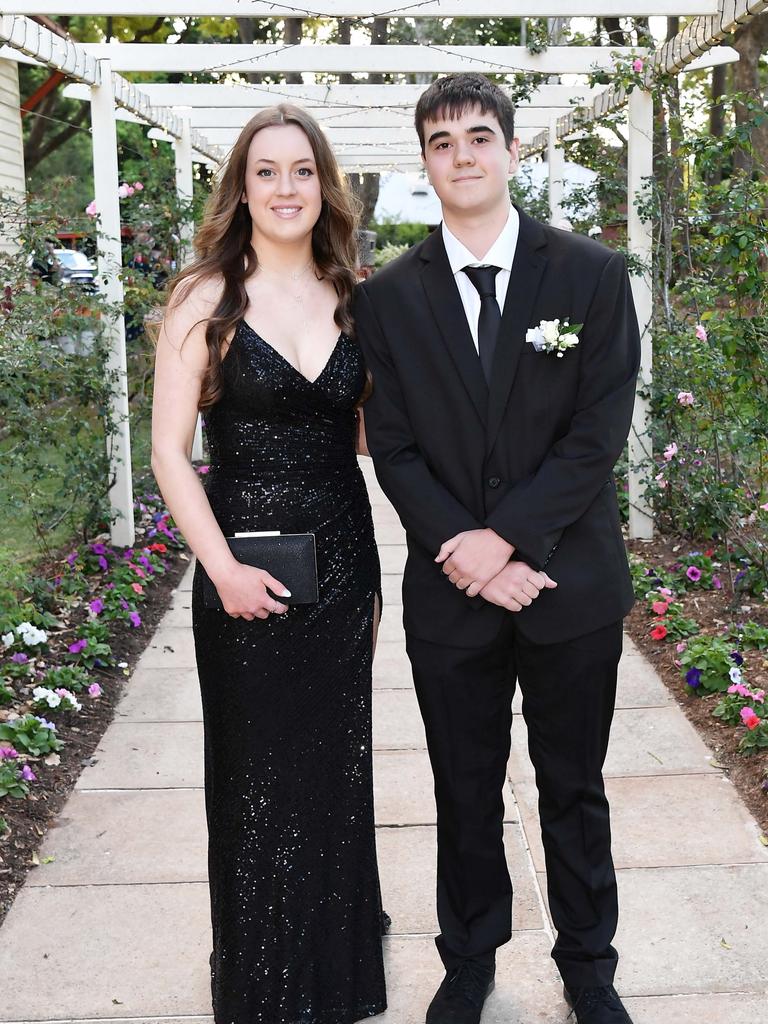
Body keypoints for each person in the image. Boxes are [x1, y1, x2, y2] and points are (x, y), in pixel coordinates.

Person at [354, 73, 641, 1024]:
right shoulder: (389, 296)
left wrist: (504, 542)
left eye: (480, 137)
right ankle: (469, 959)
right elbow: (390, 445)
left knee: (574, 784)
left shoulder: (591, 275)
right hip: (450, 594)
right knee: (463, 787)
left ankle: (589, 967)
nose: (463, 156)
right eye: (443, 143)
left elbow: (597, 435)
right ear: (425, 162)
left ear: (514, 152)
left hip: (571, 581)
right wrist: (464, 551)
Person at [151, 104, 387, 1024]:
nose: (284, 189)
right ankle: (264, 985)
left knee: (335, 763)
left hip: (345, 565)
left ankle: (335, 975)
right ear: (241, 188)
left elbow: (372, 436)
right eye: (265, 172)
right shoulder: (203, 296)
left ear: (323, 185)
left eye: (300, 171)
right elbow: (172, 452)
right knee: (255, 771)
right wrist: (220, 570)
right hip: (241, 563)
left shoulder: (354, 296)